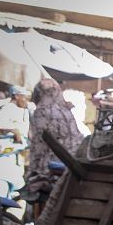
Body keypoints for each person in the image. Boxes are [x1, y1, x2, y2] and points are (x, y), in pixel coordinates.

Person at [25, 79, 84, 210]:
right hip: (73, 162)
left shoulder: (41, 110)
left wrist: (32, 170)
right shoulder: (66, 110)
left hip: (52, 165)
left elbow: (39, 144)